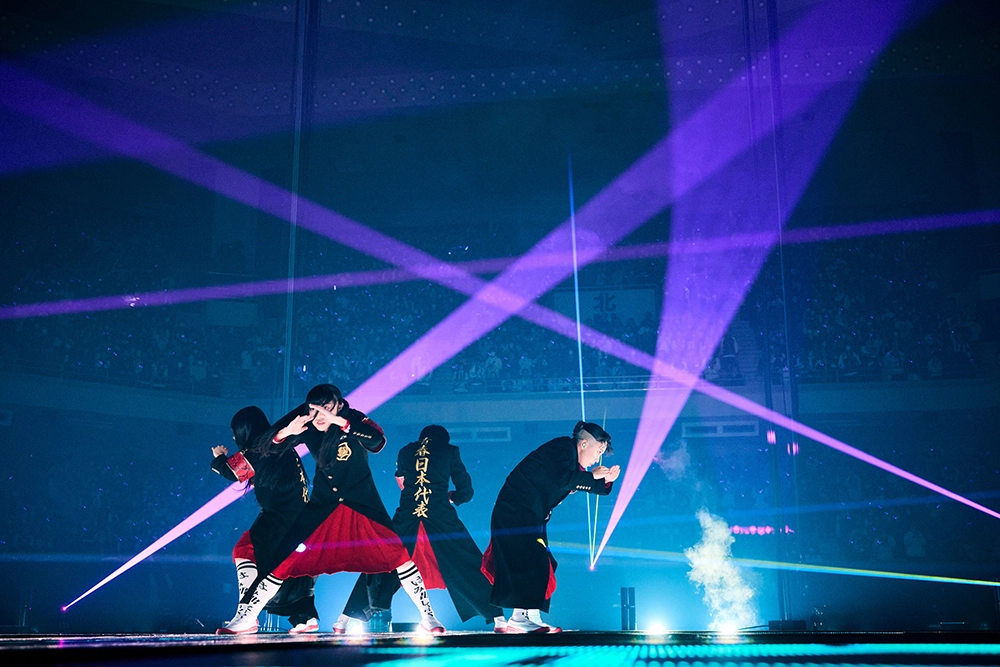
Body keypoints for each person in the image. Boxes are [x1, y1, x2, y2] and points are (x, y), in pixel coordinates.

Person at [225, 384, 445, 634]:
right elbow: (264, 450)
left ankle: (428, 617)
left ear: (339, 406)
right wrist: (286, 431)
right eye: (314, 410)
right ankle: (247, 617)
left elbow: (377, 441)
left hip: (363, 505)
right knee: (283, 559)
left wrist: (339, 421)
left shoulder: (354, 419)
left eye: (326, 409)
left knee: (400, 558)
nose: (320, 416)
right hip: (323, 507)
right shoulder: (307, 423)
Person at [334, 425, 504, 633]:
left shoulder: (405, 451)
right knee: (467, 562)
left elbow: (402, 483)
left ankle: (342, 620)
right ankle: (499, 619)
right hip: (440, 517)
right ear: (444, 440)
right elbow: (466, 492)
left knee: (381, 565)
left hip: (407, 517)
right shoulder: (449, 451)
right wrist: (451, 497)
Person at [482, 421, 620, 633]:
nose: (597, 458)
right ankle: (522, 617)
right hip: (515, 513)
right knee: (533, 560)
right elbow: (566, 480)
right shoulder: (561, 449)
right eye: (598, 451)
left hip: (529, 517)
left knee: (541, 563)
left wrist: (607, 480)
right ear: (584, 444)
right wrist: (594, 475)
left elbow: (578, 481)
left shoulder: (571, 463)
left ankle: (527, 616)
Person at [211, 406, 320, 635]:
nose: (234, 438)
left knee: (247, 551)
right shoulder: (276, 447)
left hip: (282, 517)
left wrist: (219, 456)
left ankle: (247, 616)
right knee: (287, 567)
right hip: (295, 516)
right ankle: (304, 617)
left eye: (235, 433)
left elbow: (232, 471)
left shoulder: (263, 448)